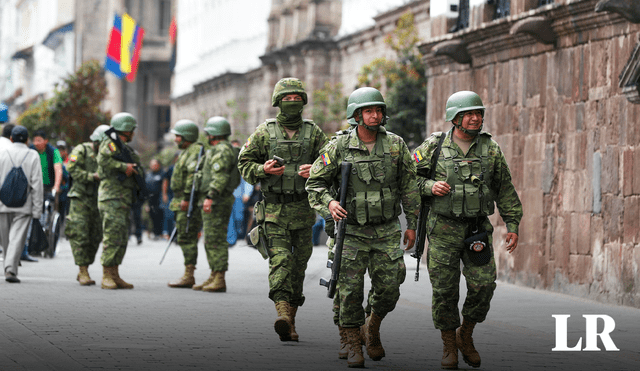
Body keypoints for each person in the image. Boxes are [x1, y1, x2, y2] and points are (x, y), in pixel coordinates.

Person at [306, 87, 420, 367]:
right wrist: (330, 204)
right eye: (369, 111)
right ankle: (353, 342)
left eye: (379, 110)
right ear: (356, 116)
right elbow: (314, 183)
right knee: (349, 290)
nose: (375, 115)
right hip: (352, 230)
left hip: (386, 229)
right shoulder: (338, 146)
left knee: (391, 285)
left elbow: (409, 186)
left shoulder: (395, 144)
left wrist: (413, 224)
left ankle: (372, 326)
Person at [412, 90, 523, 369]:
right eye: (469, 114)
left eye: (478, 113)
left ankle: (466, 333)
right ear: (455, 117)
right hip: (443, 230)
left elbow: (504, 188)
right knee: (445, 291)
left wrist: (513, 224)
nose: (475, 118)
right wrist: (429, 186)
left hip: (476, 231)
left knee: (484, 284)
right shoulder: (434, 147)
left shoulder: (490, 148)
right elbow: (406, 178)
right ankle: (449, 345)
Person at [238, 77, 329, 342]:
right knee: (281, 262)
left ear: (303, 101)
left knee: (299, 267)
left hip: (303, 211)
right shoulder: (264, 132)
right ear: (278, 102)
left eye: (296, 98)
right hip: (274, 212)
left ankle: (291, 320)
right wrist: (261, 169)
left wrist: (316, 169)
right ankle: (282, 315)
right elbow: (244, 162)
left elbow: (331, 163)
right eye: (286, 99)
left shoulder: (314, 133)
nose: (292, 103)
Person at [97, 112, 144, 290]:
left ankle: (115, 274)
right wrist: (124, 167)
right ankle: (106, 275)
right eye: (132, 130)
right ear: (126, 130)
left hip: (122, 199)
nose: (133, 133)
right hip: (111, 198)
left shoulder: (123, 147)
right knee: (112, 235)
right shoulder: (109, 144)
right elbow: (103, 161)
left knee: (121, 237)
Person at [195, 116, 240, 292]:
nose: (206, 136)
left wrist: (210, 196)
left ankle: (219, 278)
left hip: (217, 200)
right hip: (216, 199)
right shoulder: (218, 149)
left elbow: (220, 176)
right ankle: (214, 274)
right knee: (210, 239)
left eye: (208, 133)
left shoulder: (222, 150)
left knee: (216, 240)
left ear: (213, 134)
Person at [65, 125, 108, 286]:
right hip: (81, 199)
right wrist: (92, 176)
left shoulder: (106, 154)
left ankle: (86, 266)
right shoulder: (81, 150)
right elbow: (72, 169)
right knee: (80, 233)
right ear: (95, 141)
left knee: (96, 235)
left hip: (98, 200)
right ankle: (83, 270)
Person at [0, 126, 43, 283]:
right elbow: (37, 184)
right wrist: (38, 210)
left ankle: (9, 265)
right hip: (24, 205)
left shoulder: (2, 153)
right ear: (27, 140)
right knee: (17, 237)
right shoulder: (32, 155)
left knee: (5, 239)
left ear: (11, 139)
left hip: (2, 203)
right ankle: (10, 268)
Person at [167, 119, 205, 289]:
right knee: (184, 236)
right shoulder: (187, 151)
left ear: (186, 136)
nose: (175, 139)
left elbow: (192, 176)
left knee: (187, 237)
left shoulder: (194, 151)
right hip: (182, 200)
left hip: (187, 202)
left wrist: (186, 198)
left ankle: (189, 275)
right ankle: (188, 273)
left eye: (178, 136)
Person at [145, 159, 164, 240]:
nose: (154, 166)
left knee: (160, 216)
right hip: (150, 199)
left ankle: (160, 233)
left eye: (155, 164)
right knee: (151, 216)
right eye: (152, 164)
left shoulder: (162, 174)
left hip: (159, 198)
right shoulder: (148, 175)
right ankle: (154, 233)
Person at [161, 153, 177, 239]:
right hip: (170, 194)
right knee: (169, 214)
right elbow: (165, 182)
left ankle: (176, 235)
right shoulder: (171, 169)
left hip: (181, 195)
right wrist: (164, 194)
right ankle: (168, 233)